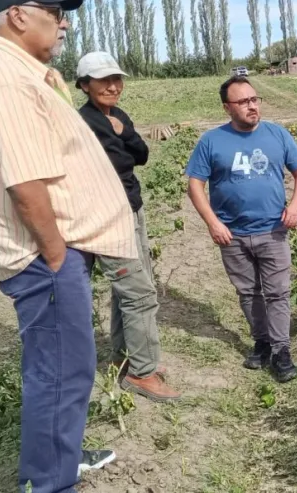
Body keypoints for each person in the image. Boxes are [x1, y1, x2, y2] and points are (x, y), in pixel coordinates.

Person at [0, 0, 136, 492]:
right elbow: (24, 182)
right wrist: (57, 256)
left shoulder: (19, 72)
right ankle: (48, 481)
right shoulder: (5, 81)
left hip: (47, 252)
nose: (63, 24)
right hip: (41, 256)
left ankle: (61, 455)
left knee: (67, 365)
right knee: (60, 371)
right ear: (17, 16)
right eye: (54, 13)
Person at [185, 76, 297, 383]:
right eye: (243, 102)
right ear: (227, 107)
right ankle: (262, 341)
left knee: (278, 293)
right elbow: (194, 185)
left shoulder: (277, 135)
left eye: (255, 99)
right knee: (248, 292)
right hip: (232, 234)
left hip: (273, 229)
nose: (252, 106)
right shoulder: (211, 141)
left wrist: (295, 205)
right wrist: (213, 222)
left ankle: (281, 350)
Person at [75, 51, 181, 403]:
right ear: (84, 85)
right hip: (105, 216)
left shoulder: (117, 116)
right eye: (103, 80)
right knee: (139, 293)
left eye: (116, 79)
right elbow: (116, 161)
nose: (112, 86)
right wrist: (124, 144)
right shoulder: (84, 122)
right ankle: (142, 373)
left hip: (131, 209)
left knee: (133, 289)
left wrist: (123, 133)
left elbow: (142, 154)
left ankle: (125, 357)